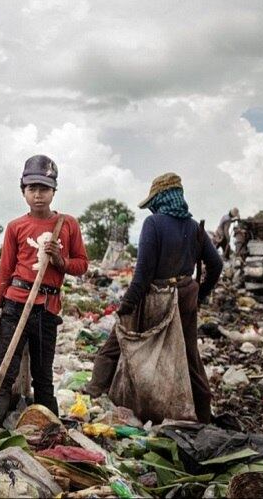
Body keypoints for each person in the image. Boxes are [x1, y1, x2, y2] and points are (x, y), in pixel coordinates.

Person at [85, 173, 223, 423]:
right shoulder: (194, 228)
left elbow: (143, 274)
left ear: (160, 199)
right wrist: (198, 294)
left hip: (155, 300)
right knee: (189, 356)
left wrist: (126, 305)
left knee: (117, 343)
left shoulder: (154, 224)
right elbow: (216, 265)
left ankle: (94, 393)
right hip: (184, 299)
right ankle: (203, 414)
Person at [0, 155, 88, 429]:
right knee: (2, 374)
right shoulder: (16, 227)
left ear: (54, 191)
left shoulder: (68, 224)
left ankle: (51, 432)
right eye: (32, 189)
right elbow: (5, 271)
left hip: (47, 309)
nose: (38, 195)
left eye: (44, 189)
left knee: (43, 378)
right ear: (23, 191)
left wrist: (61, 261)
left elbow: (82, 265)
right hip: (15, 305)